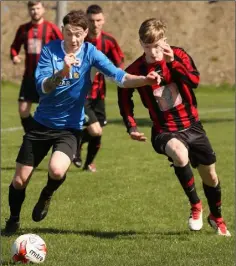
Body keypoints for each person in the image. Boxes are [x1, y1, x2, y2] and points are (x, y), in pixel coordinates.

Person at [4, 10, 160, 235]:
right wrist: (63, 70)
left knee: (57, 171)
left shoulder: (91, 54)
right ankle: (14, 219)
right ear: (62, 32)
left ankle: (47, 194)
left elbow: (120, 77)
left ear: (86, 33)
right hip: (41, 125)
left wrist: (145, 80)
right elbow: (43, 88)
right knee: (19, 181)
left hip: (70, 128)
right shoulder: (50, 51)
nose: (73, 39)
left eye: (78, 34)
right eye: (68, 33)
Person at [118, 18, 231, 236]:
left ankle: (216, 217)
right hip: (164, 130)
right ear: (141, 44)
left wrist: (172, 64)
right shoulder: (136, 68)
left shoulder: (178, 55)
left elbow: (194, 81)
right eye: (148, 46)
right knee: (179, 155)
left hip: (193, 126)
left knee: (211, 177)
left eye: (157, 45)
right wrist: (131, 125)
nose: (153, 52)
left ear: (164, 40)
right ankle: (195, 205)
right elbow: (124, 94)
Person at [73, 4, 125, 172]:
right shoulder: (79, 41)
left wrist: (119, 76)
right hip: (82, 94)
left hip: (100, 94)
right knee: (95, 130)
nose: (95, 24)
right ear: (86, 21)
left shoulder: (109, 41)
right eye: (91, 20)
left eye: (98, 20)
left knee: (99, 130)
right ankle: (75, 142)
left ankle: (87, 163)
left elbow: (119, 63)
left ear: (104, 20)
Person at [10, 1, 63, 133]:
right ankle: (33, 134)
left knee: (50, 111)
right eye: (32, 9)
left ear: (43, 9)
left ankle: (59, 136)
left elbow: (63, 45)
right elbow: (14, 47)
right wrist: (14, 56)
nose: (35, 11)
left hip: (47, 76)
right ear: (29, 10)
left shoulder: (51, 28)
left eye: (38, 8)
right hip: (29, 76)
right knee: (23, 110)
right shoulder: (23, 29)